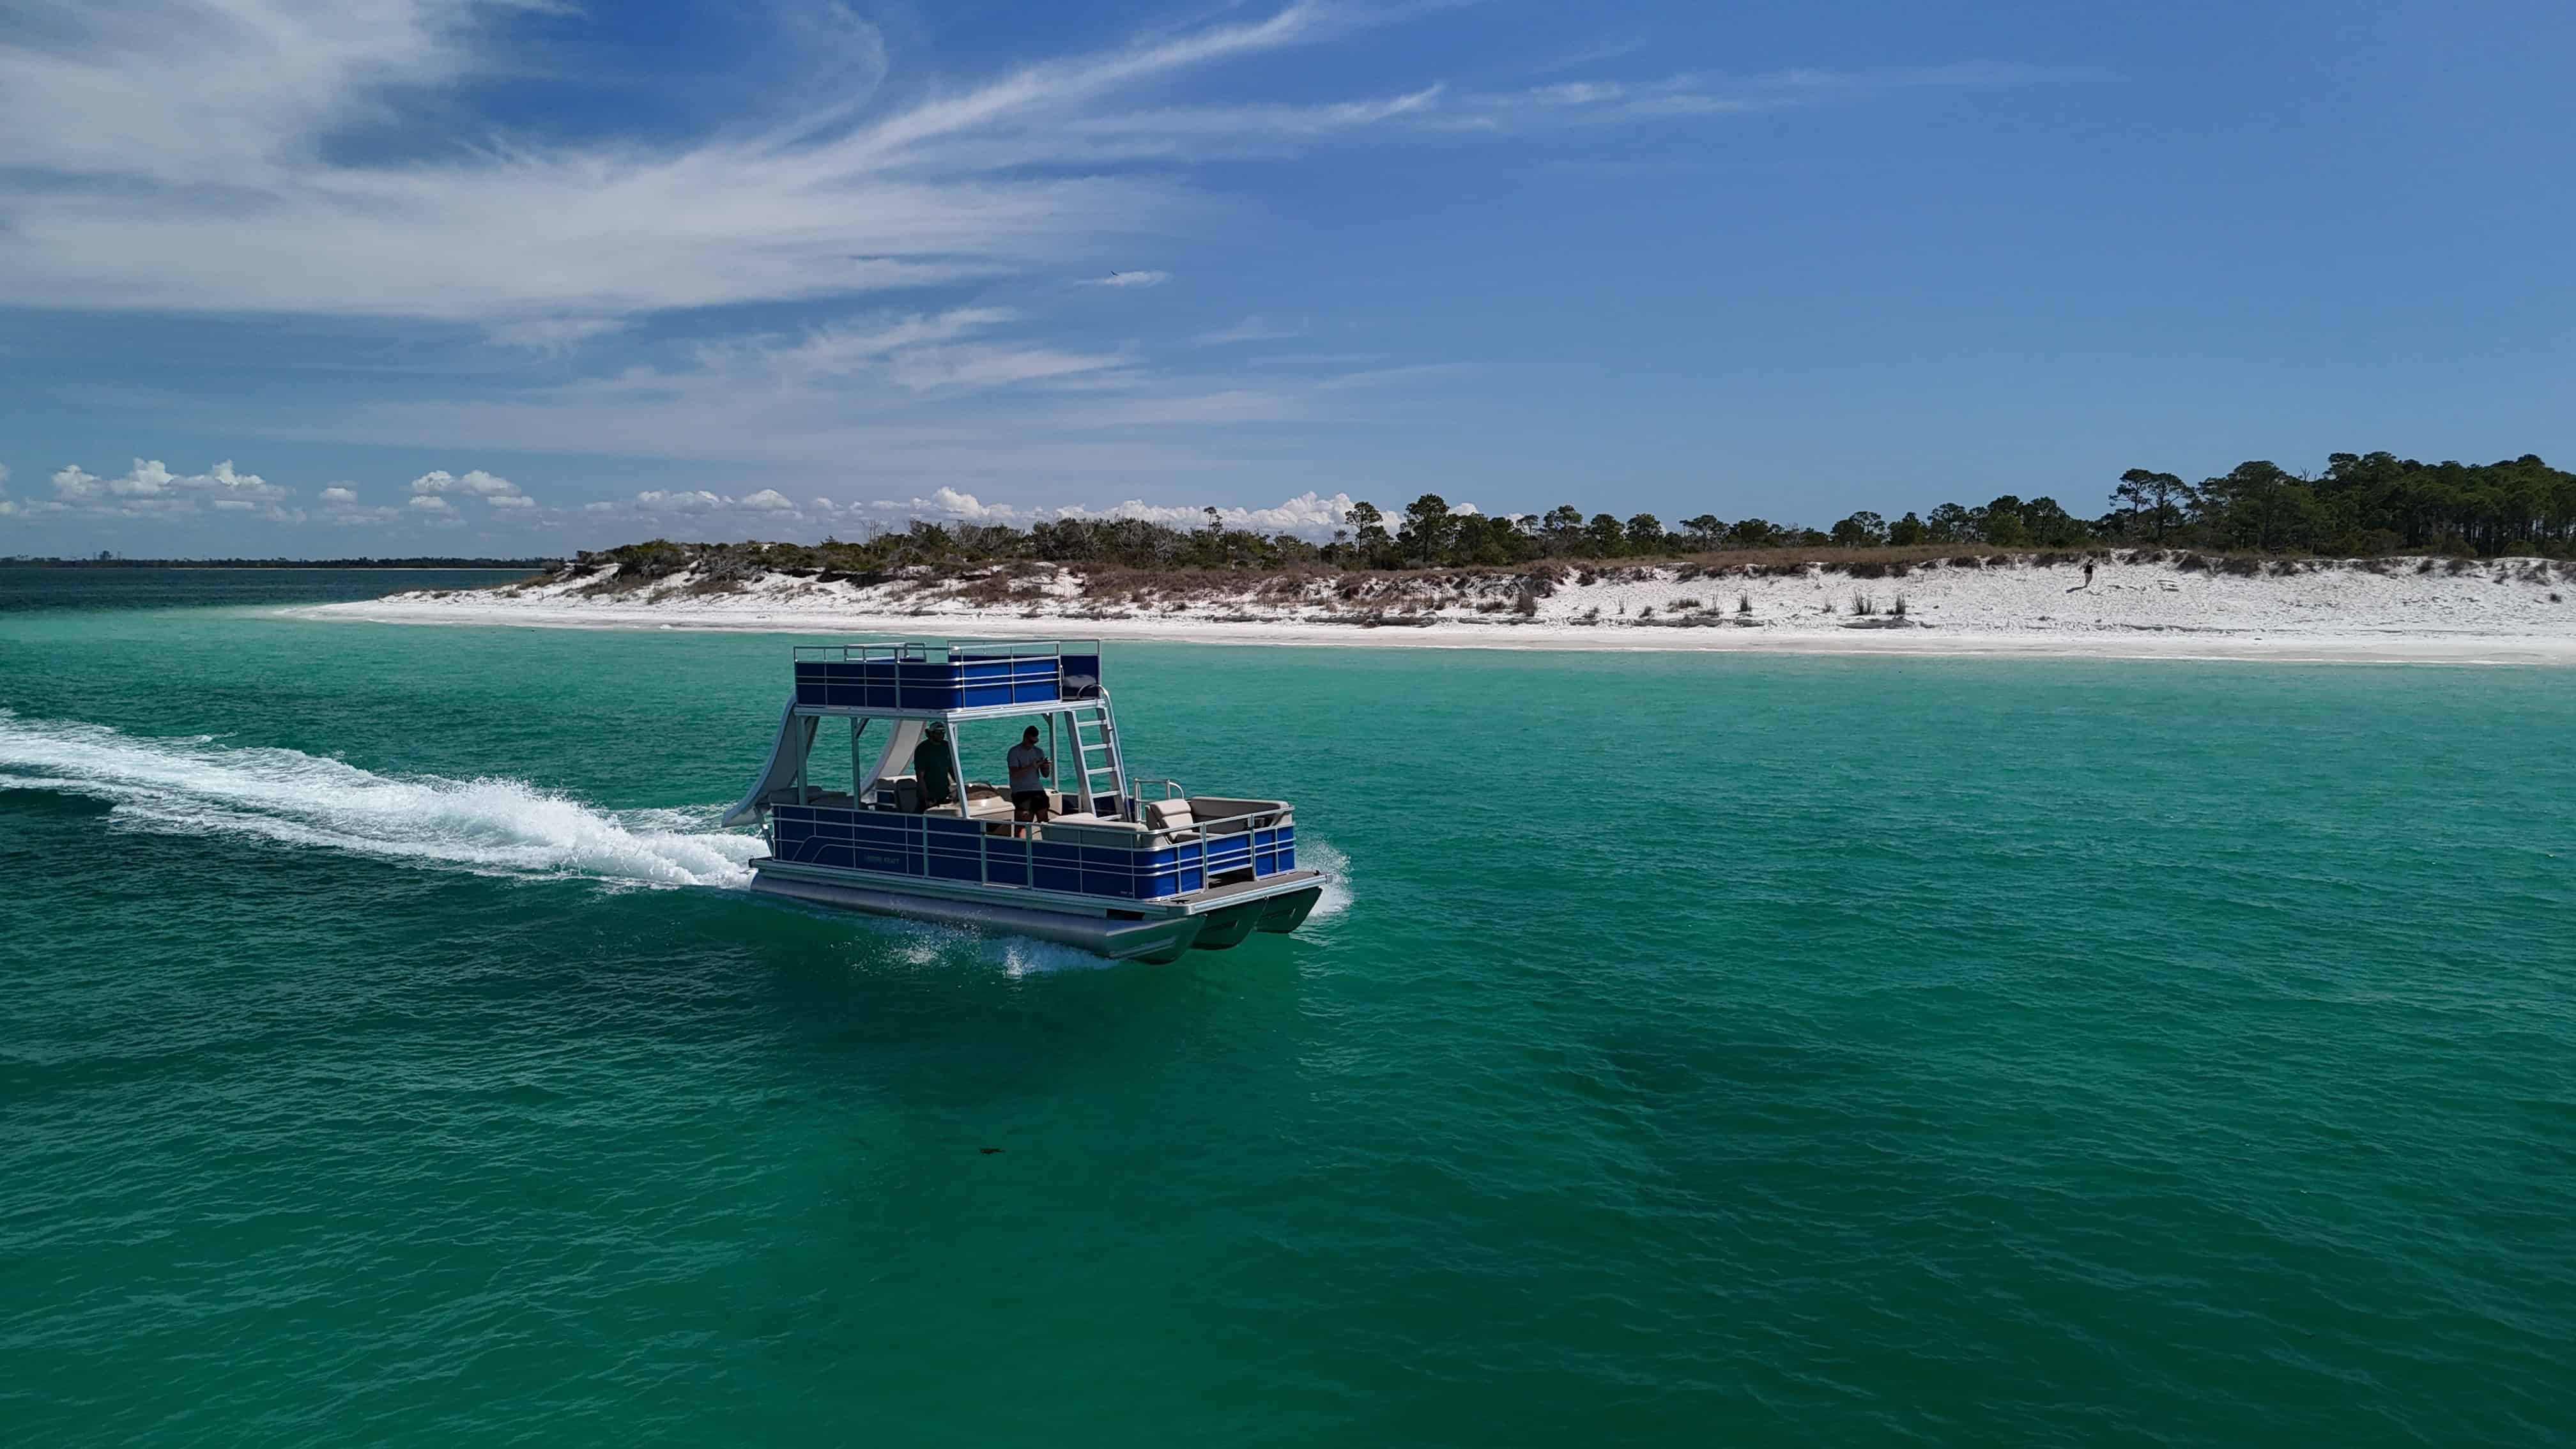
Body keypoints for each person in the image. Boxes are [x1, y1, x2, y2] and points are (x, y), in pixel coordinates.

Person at [1006, 725, 1053, 829]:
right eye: (1031, 742)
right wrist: (1032, 766)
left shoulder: (1039, 751)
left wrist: (1045, 767)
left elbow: (1045, 775)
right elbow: (1015, 774)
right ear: (1025, 738)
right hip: (1021, 791)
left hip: (1037, 790)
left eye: (1035, 742)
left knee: (1044, 820)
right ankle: (1022, 844)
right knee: (1024, 824)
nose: (1033, 745)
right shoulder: (1014, 752)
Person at [912, 721, 955, 809]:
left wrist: (961, 787)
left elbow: (952, 770)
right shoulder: (923, 749)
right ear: (931, 733)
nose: (941, 735)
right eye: (938, 732)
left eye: (943, 732)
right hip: (929, 795)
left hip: (944, 793)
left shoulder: (947, 746)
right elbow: (920, 776)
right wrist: (927, 796)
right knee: (921, 818)